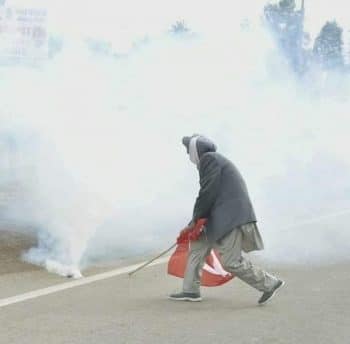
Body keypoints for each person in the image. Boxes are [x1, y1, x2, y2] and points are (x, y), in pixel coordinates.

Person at [169, 134, 284, 304]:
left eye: (188, 150)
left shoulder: (209, 160)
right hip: (218, 216)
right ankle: (190, 290)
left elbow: (207, 192)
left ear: (196, 150)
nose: (188, 154)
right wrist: (193, 224)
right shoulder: (214, 160)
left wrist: (195, 221)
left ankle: (269, 283)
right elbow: (210, 194)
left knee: (231, 262)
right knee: (198, 247)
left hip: (229, 217)